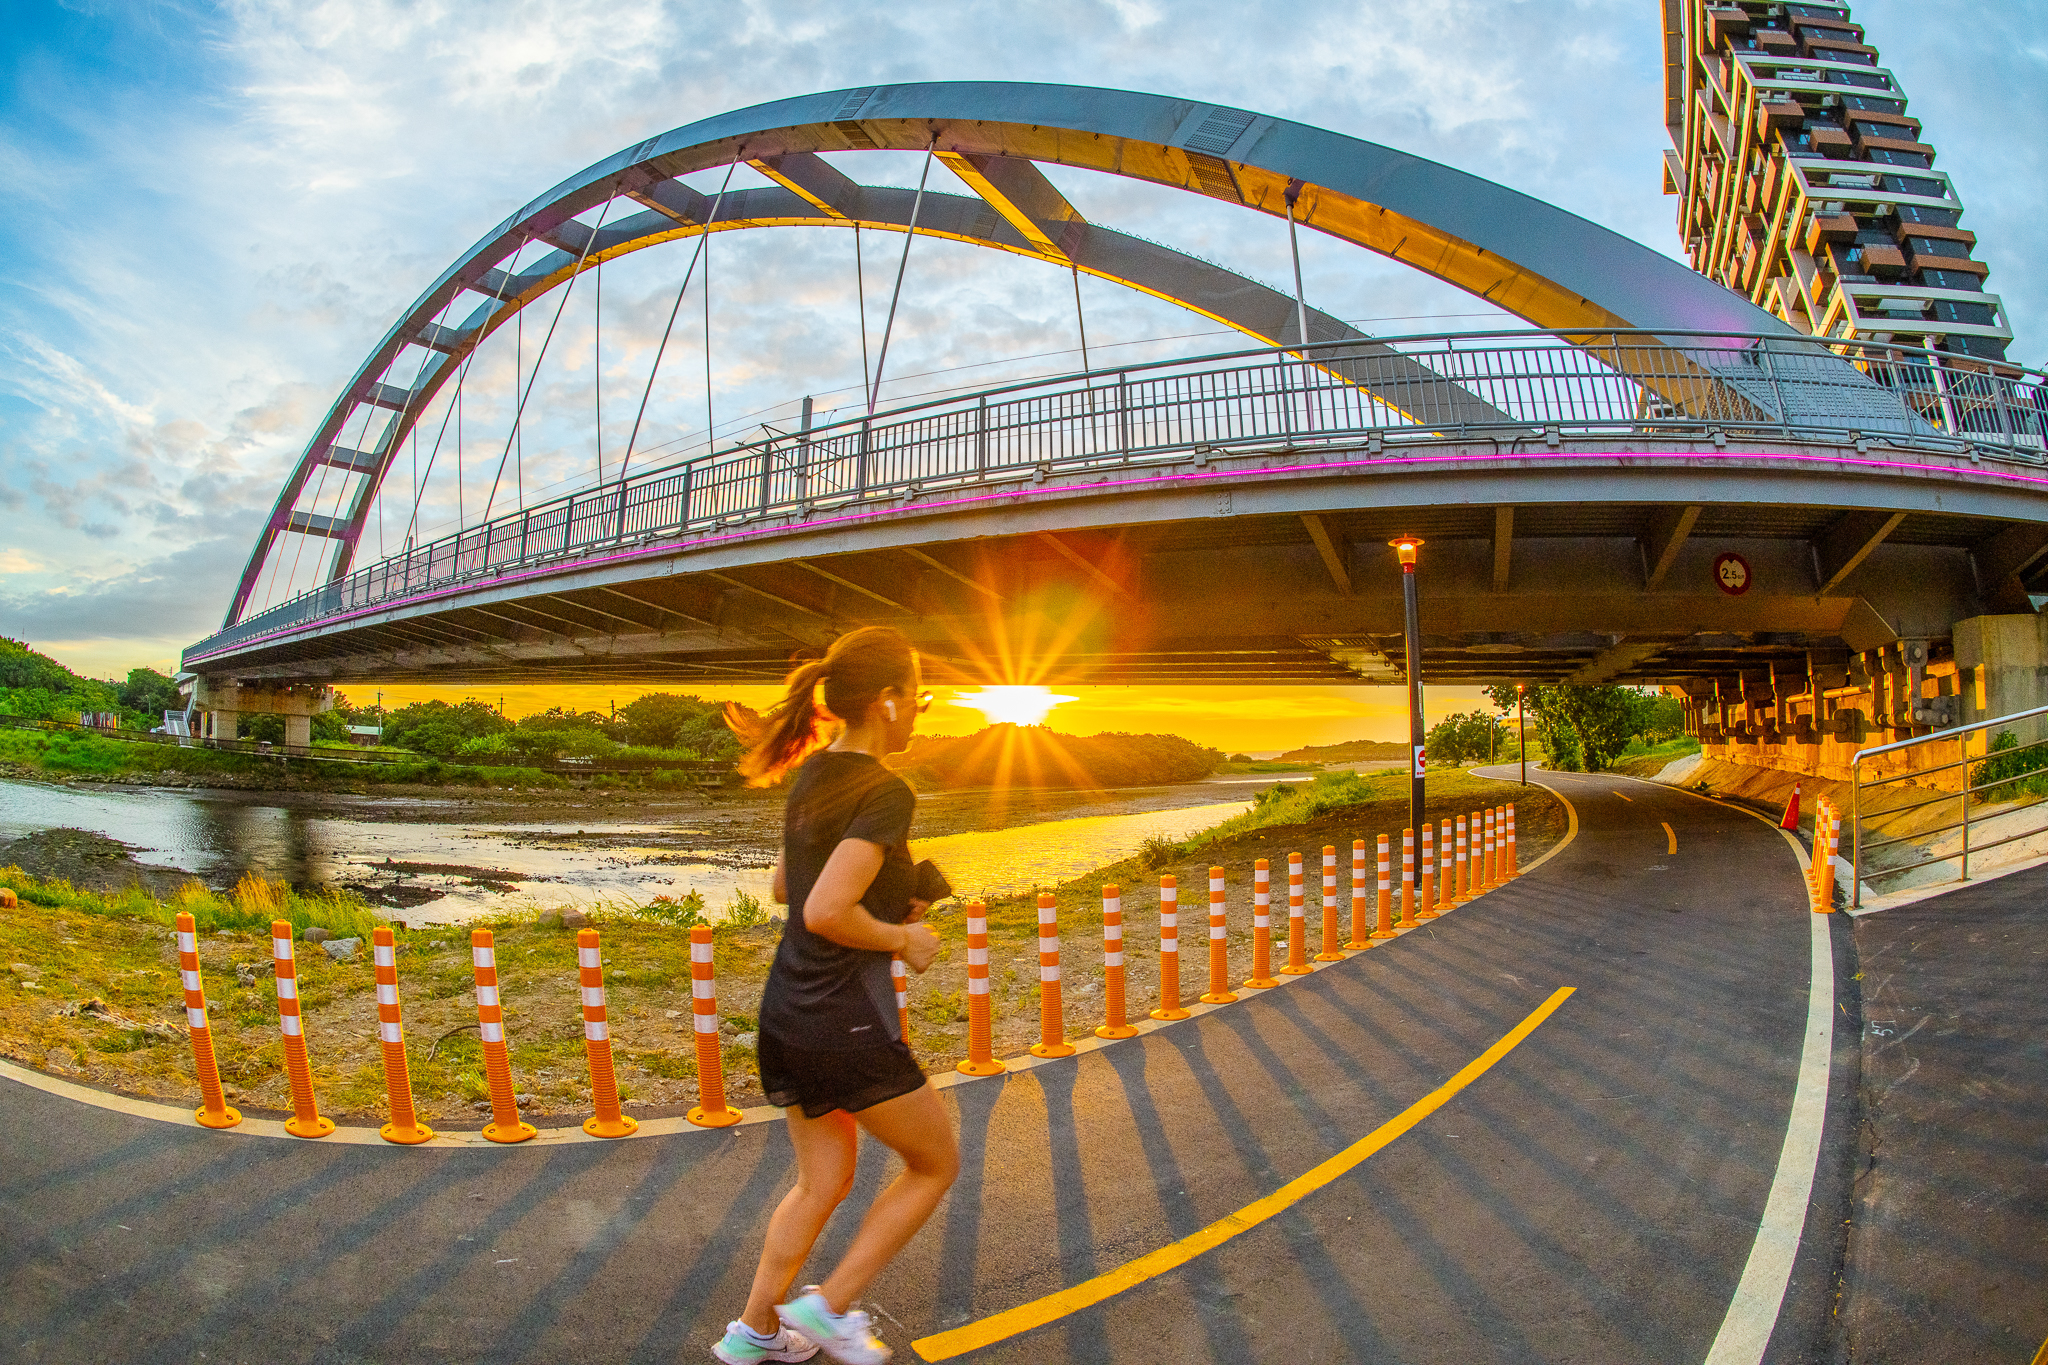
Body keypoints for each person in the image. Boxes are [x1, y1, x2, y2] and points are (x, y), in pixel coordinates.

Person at [712, 627, 958, 1365]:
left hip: (786, 1011)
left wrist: (891, 903)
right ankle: (828, 1307)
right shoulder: (887, 790)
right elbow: (822, 909)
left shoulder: (813, 774)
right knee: (935, 1162)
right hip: (842, 1018)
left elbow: (789, 887)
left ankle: (754, 1330)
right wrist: (903, 940)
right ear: (888, 700)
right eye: (919, 696)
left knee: (822, 1179)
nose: (922, 710)